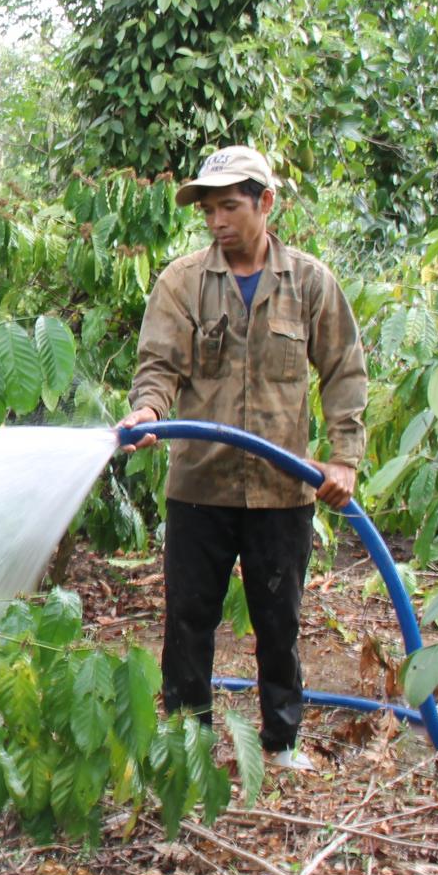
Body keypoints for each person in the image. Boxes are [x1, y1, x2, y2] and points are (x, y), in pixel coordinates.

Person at [116, 145, 367, 771]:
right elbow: (158, 369)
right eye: (209, 210)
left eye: (230, 206)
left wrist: (343, 459)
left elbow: (343, 371)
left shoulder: (309, 284)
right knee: (189, 622)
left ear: (266, 203)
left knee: (278, 621)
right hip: (200, 485)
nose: (217, 221)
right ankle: (188, 747)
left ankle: (282, 744)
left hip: (282, 490)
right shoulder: (181, 283)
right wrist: (148, 411)